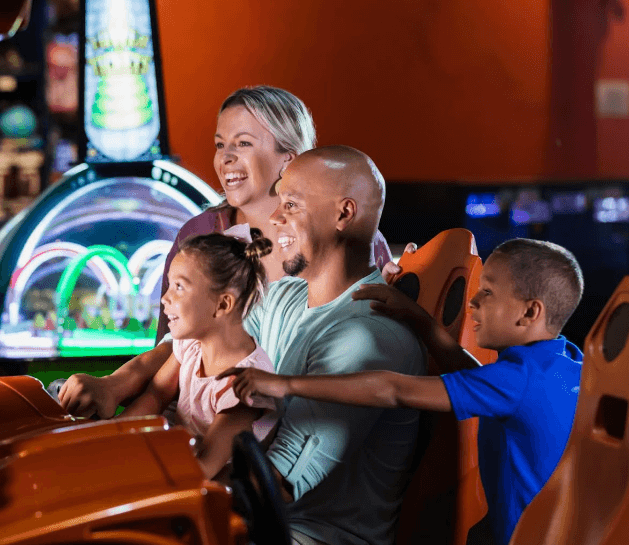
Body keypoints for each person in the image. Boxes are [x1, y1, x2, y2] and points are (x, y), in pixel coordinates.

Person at [64, 145, 427, 545]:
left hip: (298, 534)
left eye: (290, 204)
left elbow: (270, 487)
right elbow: (196, 339)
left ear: (343, 214)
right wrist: (114, 384)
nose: (274, 217)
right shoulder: (287, 297)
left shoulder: (367, 337)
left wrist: (124, 495)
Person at [58, 86, 394, 419]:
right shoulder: (201, 234)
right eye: (221, 145)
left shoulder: (345, 237)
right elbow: (174, 346)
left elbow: (374, 342)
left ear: (288, 159)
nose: (225, 157)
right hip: (200, 418)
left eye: (243, 143)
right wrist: (113, 385)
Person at [222, 238, 584, 545]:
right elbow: (476, 382)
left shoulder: (517, 381)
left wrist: (282, 383)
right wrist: (420, 321)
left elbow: (393, 390)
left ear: (530, 312)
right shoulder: (557, 362)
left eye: (487, 293)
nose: (473, 303)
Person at [118, 228, 277, 479]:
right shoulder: (191, 345)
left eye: (179, 287)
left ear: (222, 304)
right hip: (175, 465)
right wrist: (111, 436)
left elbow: (204, 466)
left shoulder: (247, 384)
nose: (164, 299)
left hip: (210, 493)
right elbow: (156, 395)